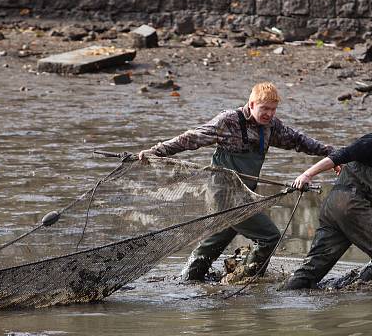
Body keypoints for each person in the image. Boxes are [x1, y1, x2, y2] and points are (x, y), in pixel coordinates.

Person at [138, 82, 334, 281]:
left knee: (213, 243)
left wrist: (331, 154)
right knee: (269, 237)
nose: (269, 114)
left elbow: (298, 140)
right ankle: (244, 279)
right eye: (264, 108)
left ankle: (188, 279)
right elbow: (191, 138)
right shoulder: (229, 121)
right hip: (224, 194)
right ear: (251, 104)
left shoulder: (271, 127)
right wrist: (156, 151)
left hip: (245, 194)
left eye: (273, 110)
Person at [285, 105, 372, 289]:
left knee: (311, 271)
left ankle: (287, 292)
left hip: (334, 207)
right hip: (352, 207)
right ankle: (345, 290)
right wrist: (307, 175)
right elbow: (341, 154)